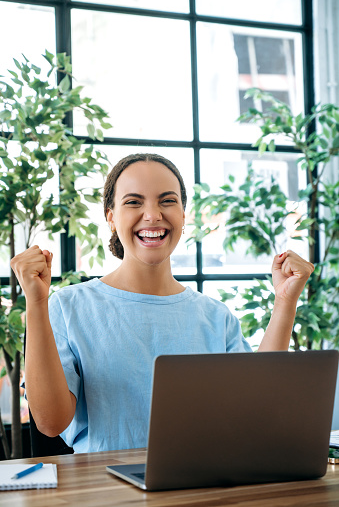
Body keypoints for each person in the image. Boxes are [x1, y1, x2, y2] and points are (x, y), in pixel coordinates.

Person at [11, 153, 314, 453]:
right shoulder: (68, 306)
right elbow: (51, 423)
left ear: (183, 214)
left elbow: (256, 405)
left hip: (201, 486)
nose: (153, 215)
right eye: (133, 202)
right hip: (105, 490)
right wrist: (36, 302)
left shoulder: (216, 317)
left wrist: (285, 300)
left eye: (167, 200)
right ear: (111, 217)